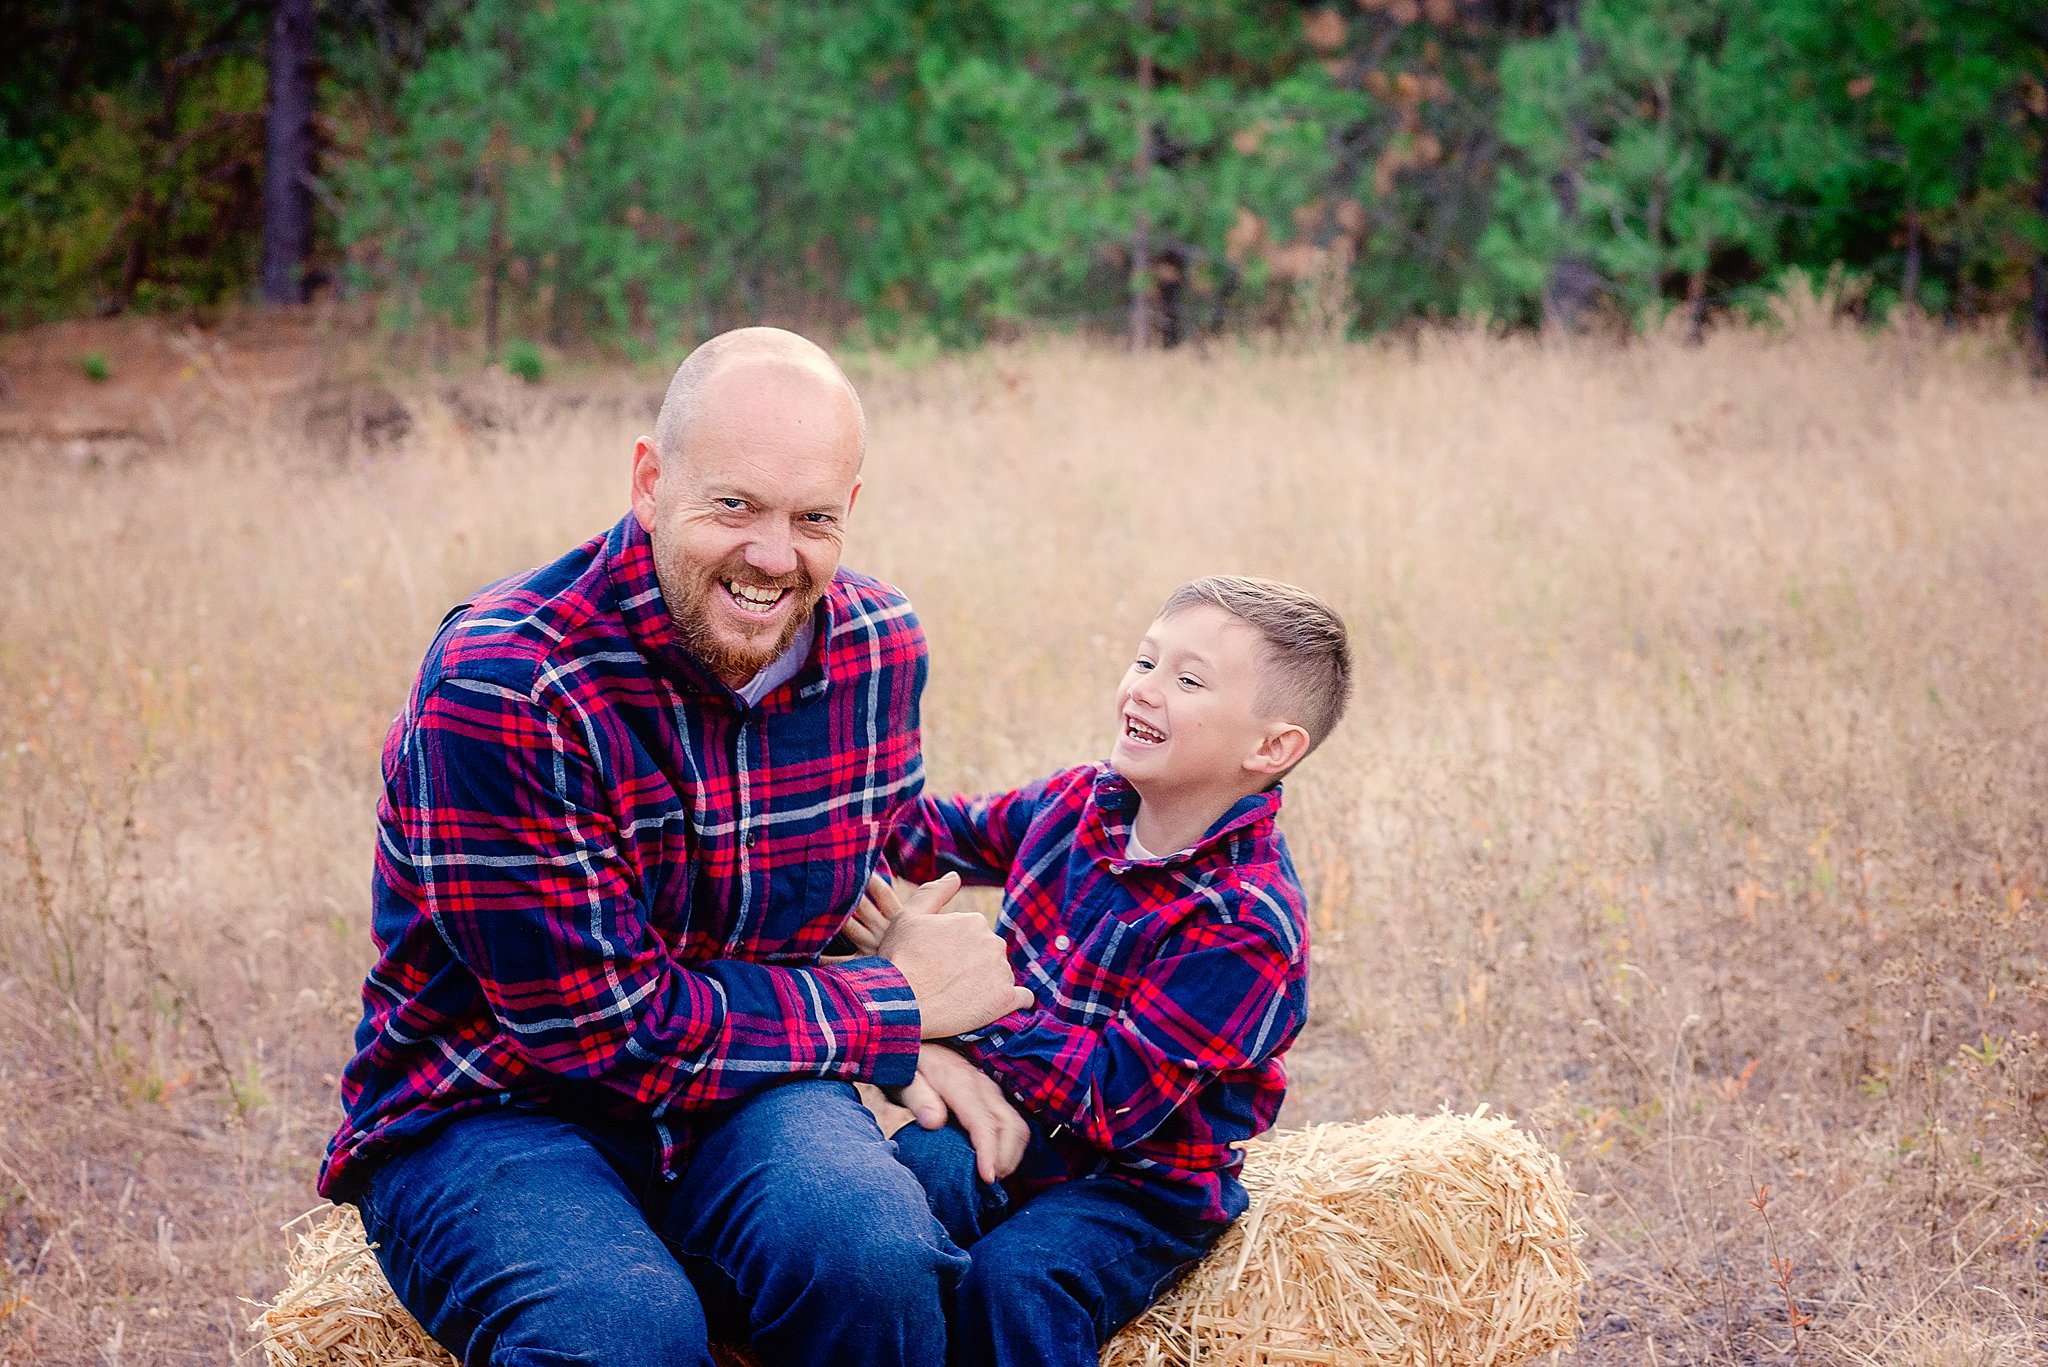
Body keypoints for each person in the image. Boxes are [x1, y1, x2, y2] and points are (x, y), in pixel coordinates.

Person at [317, 327, 1032, 1367]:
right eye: (733, 505)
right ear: (650, 481)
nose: (773, 555)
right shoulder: (509, 684)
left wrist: (1138, 822)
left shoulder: (880, 644)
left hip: (749, 1090)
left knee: (873, 1252)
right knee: (623, 1334)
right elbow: (603, 1029)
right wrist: (893, 1008)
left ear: (850, 513)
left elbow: (872, 858)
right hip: (499, 1104)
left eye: (812, 517)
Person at [847, 575, 1352, 1367]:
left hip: (1137, 1186)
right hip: (1015, 1116)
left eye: (1187, 680)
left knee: (1019, 1278)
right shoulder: (1083, 801)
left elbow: (1112, 1100)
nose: (1145, 690)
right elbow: (936, 831)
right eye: (1146, 661)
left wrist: (972, 1000)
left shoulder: (1245, 921)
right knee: (912, 1188)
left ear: (1271, 747)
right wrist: (839, 819)